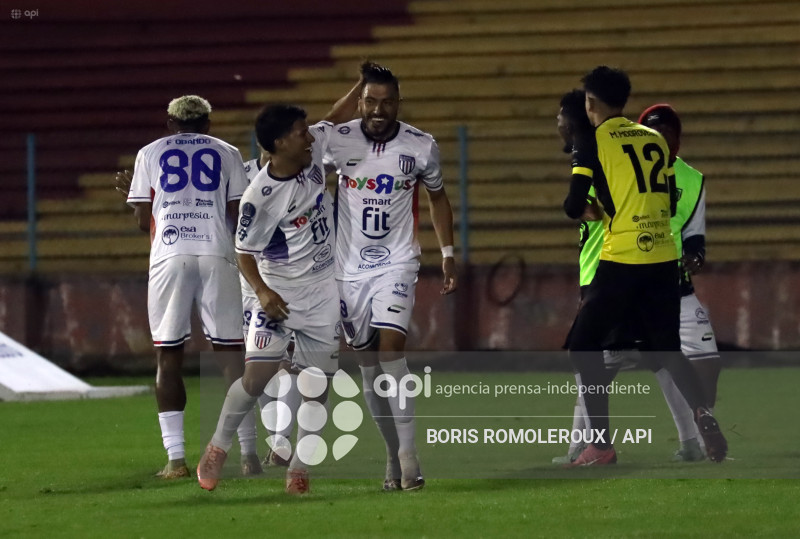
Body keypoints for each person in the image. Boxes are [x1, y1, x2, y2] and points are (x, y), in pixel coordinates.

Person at [197, 77, 362, 495]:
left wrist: (361, 84)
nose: (310, 137)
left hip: (322, 291)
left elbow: (335, 117)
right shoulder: (260, 197)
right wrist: (265, 294)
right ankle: (217, 448)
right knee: (256, 378)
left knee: (318, 383)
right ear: (278, 143)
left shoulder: (313, 152)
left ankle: (299, 469)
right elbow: (244, 252)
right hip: (280, 298)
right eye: (300, 133)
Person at [563, 66, 727, 466]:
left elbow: (573, 205)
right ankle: (703, 414)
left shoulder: (593, 140)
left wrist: (591, 209)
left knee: (583, 346)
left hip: (622, 257)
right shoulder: (653, 139)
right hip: (663, 259)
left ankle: (600, 445)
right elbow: (669, 201)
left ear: (590, 104)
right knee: (667, 349)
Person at [324, 62, 458, 491]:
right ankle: (390, 454)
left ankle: (409, 456)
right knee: (368, 370)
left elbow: (438, 199)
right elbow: (316, 130)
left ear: (399, 104)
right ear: (360, 102)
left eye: (387, 102)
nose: (379, 110)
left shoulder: (421, 146)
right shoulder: (338, 141)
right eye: (371, 101)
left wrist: (448, 254)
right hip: (347, 270)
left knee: (391, 352)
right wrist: (352, 89)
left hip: (397, 263)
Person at [124, 95, 257, 478]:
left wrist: (139, 205)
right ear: (208, 124)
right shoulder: (228, 152)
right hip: (217, 252)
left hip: (169, 254)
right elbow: (237, 212)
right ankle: (248, 455)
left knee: (169, 355)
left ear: (170, 124)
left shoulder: (149, 153)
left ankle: (176, 460)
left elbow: (140, 220)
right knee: (232, 356)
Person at [639, 103, 722, 461]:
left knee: (707, 363)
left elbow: (695, 237)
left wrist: (696, 257)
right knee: (592, 366)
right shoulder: (627, 174)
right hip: (632, 287)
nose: (661, 141)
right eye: (654, 135)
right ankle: (584, 446)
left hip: (678, 288)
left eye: (667, 135)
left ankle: (698, 433)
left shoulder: (692, 179)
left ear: (678, 141)